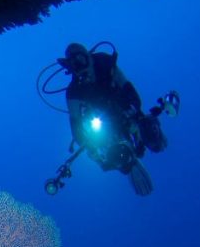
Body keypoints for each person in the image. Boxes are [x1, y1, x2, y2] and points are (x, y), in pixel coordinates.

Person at [57, 42, 173, 195]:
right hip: (104, 122)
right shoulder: (74, 92)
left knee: (153, 138)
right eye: (76, 66)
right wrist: (92, 148)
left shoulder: (104, 63)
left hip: (125, 109)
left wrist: (132, 110)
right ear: (71, 69)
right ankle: (128, 163)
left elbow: (128, 88)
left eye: (82, 60)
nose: (82, 69)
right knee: (115, 155)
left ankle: (147, 137)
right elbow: (76, 124)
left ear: (89, 57)